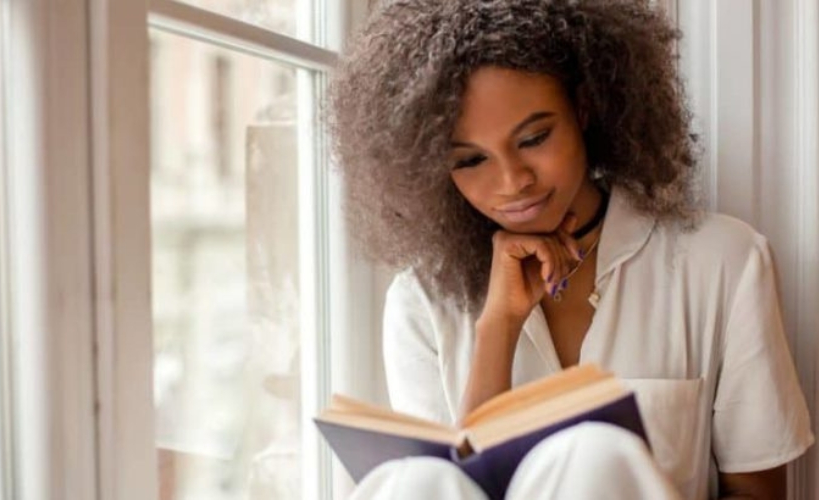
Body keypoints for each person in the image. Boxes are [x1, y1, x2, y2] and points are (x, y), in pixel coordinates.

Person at [325, 0, 815, 498]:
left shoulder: (722, 262)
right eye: (471, 160)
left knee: (591, 456)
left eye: (534, 137)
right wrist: (499, 325)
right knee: (415, 481)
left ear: (582, 109)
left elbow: (758, 491)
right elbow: (451, 486)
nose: (513, 182)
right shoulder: (421, 301)